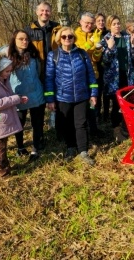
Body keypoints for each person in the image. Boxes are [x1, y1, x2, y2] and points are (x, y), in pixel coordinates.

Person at [44, 27, 98, 166]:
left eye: (70, 36)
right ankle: (70, 148)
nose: (67, 39)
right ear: (59, 39)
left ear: (74, 38)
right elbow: (49, 79)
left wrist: (94, 93)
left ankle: (83, 152)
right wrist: (50, 99)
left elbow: (91, 75)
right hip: (63, 97)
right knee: (68, 124)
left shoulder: (82, 54)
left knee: (81, 124)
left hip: (82, 96)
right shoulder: (53, 55)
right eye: (64, 37)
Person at [4, 30, 46, 162]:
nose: (24, 41)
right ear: (14, 40)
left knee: (37, 123)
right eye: (21, 39)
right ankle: (20, 147)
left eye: (26, 39)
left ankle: (36, 147)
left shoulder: (34, 56)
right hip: (18, 96)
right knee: (19, 123)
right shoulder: (7, 57)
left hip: (36, 94)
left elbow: (39, 73)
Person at [100, 15, 134, 143]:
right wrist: (109, 48)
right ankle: (116, 130)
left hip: (128, 76)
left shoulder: (127, 38)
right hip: (113, 79)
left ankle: (126, 127)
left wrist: (132, 45)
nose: (117, 26)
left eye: (118, 23)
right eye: (114, 24)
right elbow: (105, 61)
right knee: (116, 104)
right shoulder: (105, 39)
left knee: (128, 103)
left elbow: (133, 57)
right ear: (110, 26)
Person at [74, 12, 103, 138]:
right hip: (79, 76)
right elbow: (80, 51)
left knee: (93, 104)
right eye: (87, 22)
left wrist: (97, 49)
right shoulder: (73, 35)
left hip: (93, 74)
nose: (89, 25)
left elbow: (96, 59)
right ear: (80, 22)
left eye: (91, 23)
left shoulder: (95, 35)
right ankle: (80, 131)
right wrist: (91, 43)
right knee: (80, 106)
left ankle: (94, 128)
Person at [25, 1, 61, 76]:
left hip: (55, 70)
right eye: (42, 10)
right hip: (35, 71)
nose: (44, 13)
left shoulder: (58, 29)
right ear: (37, 12)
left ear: (51, 12)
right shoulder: (28, 31)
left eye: (47, 11)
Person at [93, 12, 110, 123]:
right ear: (95, 22)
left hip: (107, 65)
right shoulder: (92, 34)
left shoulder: (108, 33)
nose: (101, 22)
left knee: (107, 92)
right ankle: (97, 114)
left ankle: (106, 114)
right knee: (97, 92)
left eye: (103, 20)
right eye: (99, 20)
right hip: (96, 65)